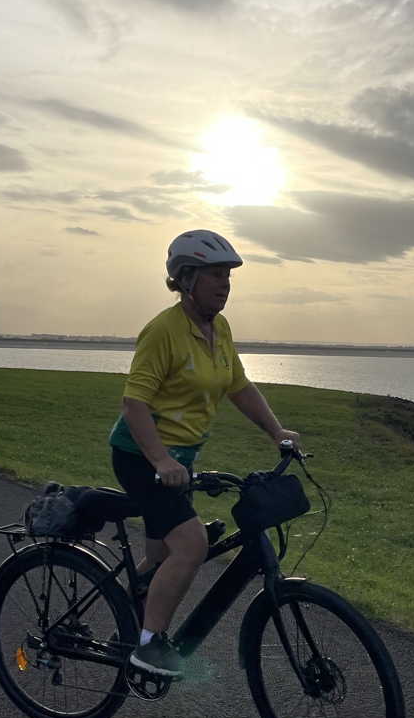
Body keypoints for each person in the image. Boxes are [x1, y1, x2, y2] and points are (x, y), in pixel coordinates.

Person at [110, 230, 301, 677]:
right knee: (191, 544)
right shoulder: (163, 331)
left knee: (160, 555)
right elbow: (134, 404)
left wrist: (277, 432)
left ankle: (129, 596)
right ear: (186, 278)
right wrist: (160, 460)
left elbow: (239, 385)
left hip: (180, 459)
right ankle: (148, 643)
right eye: (215, 275)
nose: (225, 284)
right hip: (142, 456)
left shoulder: (219, 329)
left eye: (228, 276)